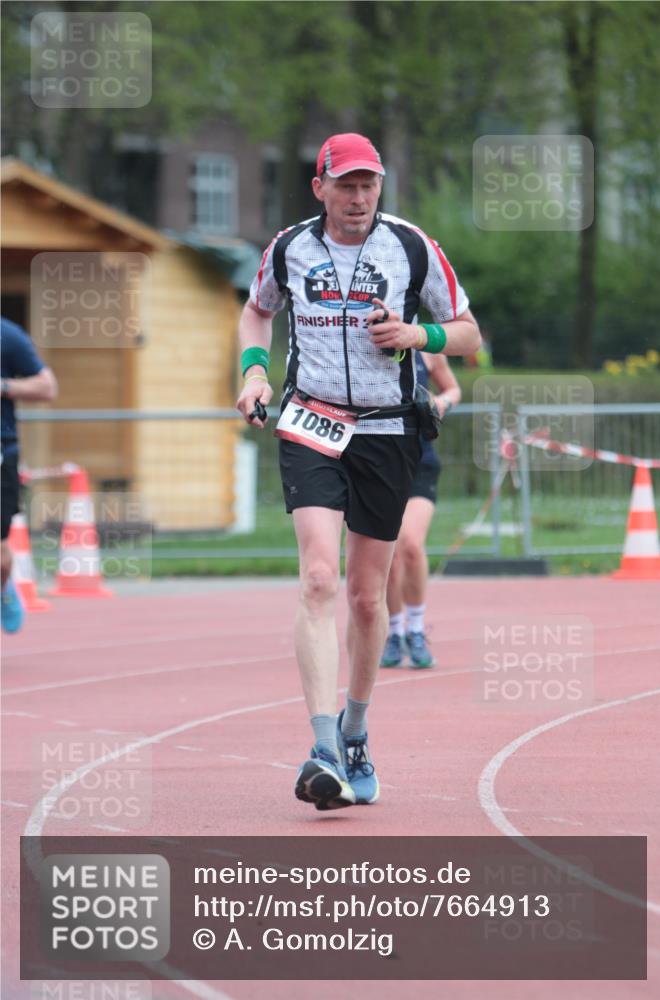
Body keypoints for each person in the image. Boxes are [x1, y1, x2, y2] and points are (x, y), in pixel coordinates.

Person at [236, 133, 480, 811]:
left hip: (386, 430)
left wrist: (416, 336)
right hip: (310, 423)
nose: (357, 197)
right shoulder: (289, 248)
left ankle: (354, 729)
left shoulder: (410, 246)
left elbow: (467, 332)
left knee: (367, 597)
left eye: (367, 184)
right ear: (319, 188)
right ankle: (320, 747)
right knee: (318, 575)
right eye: (344, 185)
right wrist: (254, 374)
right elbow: (257, 311)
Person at [381, 352, 461, 669]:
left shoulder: (427, 349)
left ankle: (415, 629)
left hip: (420, 463)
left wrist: (442, 404)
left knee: (411, 544)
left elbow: (454, 389)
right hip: (378, 465)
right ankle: (393, 631)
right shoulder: (362, 346)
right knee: (387, 552)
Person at [1, 317, 58, 633]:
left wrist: (3, 386)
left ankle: (3, 588)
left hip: (1, 451)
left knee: (0, 557)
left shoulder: (7, 335)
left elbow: (47, 386)